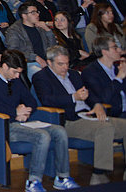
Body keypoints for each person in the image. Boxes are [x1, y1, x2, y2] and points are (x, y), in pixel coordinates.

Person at [0, 49, 78, 192]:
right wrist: (14, 112)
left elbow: (31, 101)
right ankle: (33, 181)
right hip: (4, 126)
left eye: (19, 72)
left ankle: (62, 177)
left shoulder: (16, 80)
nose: (17, 76)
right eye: (15, 72)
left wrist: (26, 111)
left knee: (60, 131)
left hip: (23, 122)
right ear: (5, 66)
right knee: (42, 136)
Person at [33, 45, 126, 185]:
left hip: (88, 115)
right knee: (105, 128)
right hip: (69, 120)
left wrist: (97, 105)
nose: (65, 67)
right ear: (50, 62)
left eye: (67, 63)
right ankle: (99, 174)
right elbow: (47, 100)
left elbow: (89, 95)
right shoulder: (41, 77)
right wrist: (73, 97)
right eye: (60, 64)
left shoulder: (74, 75)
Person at [5, 2, 55, 79]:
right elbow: (13, 51)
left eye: (37, 12)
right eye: (33, 13)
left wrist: (48, 30)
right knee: (43, 77)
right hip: (29, 63)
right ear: (24, 16)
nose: (37, 15)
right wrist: (34, 57)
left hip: (46, 61)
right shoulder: (14, 30)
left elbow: (52, 47)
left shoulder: (40, 27)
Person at [81, 34, 126, 119]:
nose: (119, 50)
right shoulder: (90, 72)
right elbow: (103, 98)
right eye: (115, 48)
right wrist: (118, 78)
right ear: (104, 51)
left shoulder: (118, 67)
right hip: (115, 113)